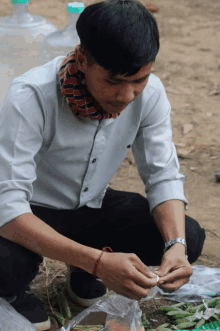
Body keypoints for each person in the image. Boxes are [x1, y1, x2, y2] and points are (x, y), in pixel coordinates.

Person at [0, 0, 205, 330]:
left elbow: (162, 174)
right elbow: (7, 209)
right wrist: (98, 262)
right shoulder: (31, 96)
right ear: (82, 59)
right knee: (4, 267)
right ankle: (15, 293)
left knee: (188, 236)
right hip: (31, 211)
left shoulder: (149, 95)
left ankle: (81, 270)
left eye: (139, 79)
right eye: (113, 81)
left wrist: (176, 247)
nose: (127, 95)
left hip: (91, 205)